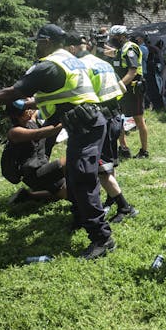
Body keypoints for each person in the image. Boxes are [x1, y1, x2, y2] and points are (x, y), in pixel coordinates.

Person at [0, 24, 116, 260]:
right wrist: (30, 105)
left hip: (85, 125)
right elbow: (62, 94)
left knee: (82, 178)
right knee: (74, 175)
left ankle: (102, 238)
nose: (35, 46)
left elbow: (14, 92)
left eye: (38, 42)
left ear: (46, 42)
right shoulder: (68, 59)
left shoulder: (49, 65)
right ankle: (81, 218)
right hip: (85, 122)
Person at [68, 34, 138, 223]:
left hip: (101, 120)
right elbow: (121, 89)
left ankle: (124, 206)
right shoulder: (103, 64)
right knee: (108, 163)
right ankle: (112, 199)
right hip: (115, 116)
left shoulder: (80, 67)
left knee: (101, 168)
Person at [3, 105, 67, 204]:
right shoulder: (15, 132)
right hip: (34, 174)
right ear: (17, 115)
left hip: (43, 165)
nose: (30, 110)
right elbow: (40, 134)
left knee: (70, 193)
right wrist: (65, 121)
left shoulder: (30, 120)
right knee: (71, 160)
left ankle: (28, 196)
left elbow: (44, 110)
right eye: (26, 109)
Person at [109, 25, 149, 159]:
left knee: (139, 120)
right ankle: (124, 148)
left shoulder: (130, 49)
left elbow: (132, 72)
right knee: (118, 119)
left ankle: (144, 151)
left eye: (114, 37)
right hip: (122, 90)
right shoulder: (120, 49)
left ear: (122, 37)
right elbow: (111, 54)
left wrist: (118, 86)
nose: (112, 39)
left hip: (133, 89)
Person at [144, 37, 165, 110]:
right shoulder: (153, 49)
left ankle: (156, 105)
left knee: (152, 89)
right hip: (151, 71)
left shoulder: (151, 49)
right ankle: (155, 105)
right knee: (153, 89)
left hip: (151, 71)